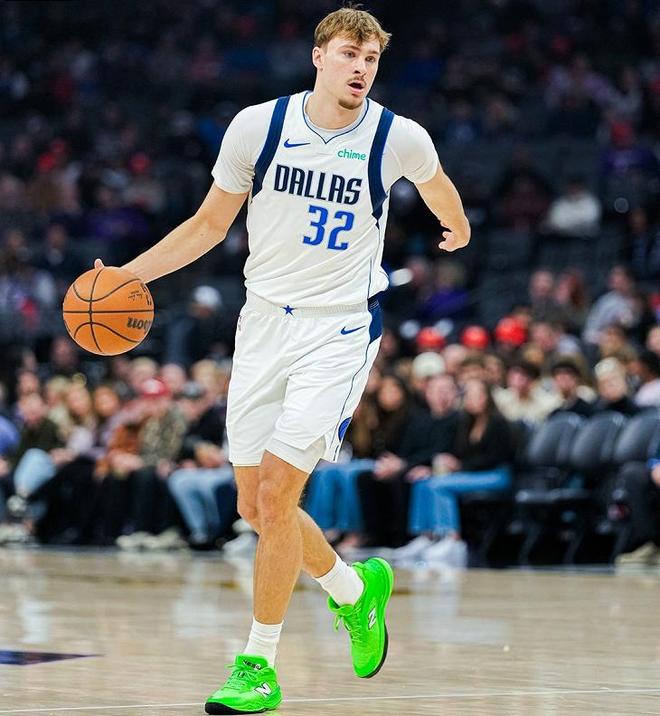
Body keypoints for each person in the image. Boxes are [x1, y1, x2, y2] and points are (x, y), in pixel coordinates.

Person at [94, 8, 470, 714]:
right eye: (350, 54)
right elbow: (209, 224)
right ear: (319, 56)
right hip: (263, 323)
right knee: (254, 506)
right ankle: (354, 592)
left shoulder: (396, 136)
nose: (362, 68)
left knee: (275, 495)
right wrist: (129, 275)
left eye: (372, 59)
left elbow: (438, 182)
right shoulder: (258, 127)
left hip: (339, 330)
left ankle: (258, 665)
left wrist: (457, 222)